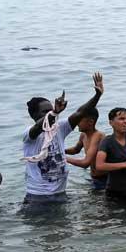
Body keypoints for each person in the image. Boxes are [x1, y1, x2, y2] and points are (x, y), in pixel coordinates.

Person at [21, 72, 104, 204]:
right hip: (38, 196)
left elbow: (80, 112)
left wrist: (97, 95)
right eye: (45, 111)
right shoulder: (29, 134)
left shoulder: (60, 127)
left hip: (60, 193)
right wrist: (54, 112)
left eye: (51, 109)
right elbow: (38, 126)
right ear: (34, 115)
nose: (50, 113)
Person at [65, 107, 107, 190]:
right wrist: (61, 151)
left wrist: (63, 158)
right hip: (94, 177)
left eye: (79, 120)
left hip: (105, 179)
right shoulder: (83, 135)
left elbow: (85, 163)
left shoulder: (98, 136)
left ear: (90, 122)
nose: (77, 123)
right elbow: (76, 150)